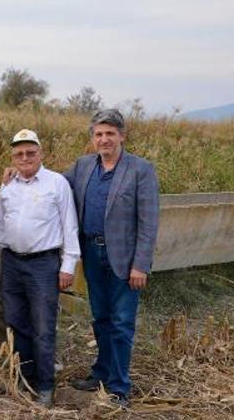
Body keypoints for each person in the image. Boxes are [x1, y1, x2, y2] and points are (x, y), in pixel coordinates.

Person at [65, 109, 159, 407]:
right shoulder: (82, 167)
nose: (104, 139)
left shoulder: (140, 169)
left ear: (122, 136)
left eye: (110, 133)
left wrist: (140, 265)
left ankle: (119, 387)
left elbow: (148, 222)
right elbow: (52, 185)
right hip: (92, 252)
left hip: (123, 258)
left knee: (121, 323)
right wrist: (21, 171)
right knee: (101, 318)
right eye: (99, 134)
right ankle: (101, 372)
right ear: (93, 138)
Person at [0, 129, 81, 408]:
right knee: (15, 323)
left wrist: (68, 265)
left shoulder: (56, 183)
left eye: (30, 152)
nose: (24, 158)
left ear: (41, 154)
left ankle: (45, 386)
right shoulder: (8, 185)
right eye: (18, 154)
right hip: (12, 262)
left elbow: (69, 225)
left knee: (43, 326)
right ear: (12, 158)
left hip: (43, 264)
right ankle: (23, 377)